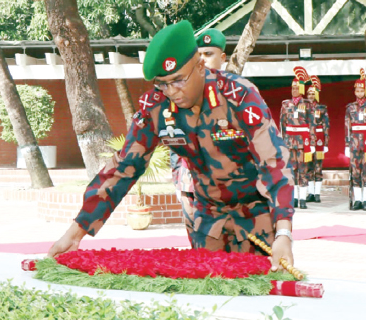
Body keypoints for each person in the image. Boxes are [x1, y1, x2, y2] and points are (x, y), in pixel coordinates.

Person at [48, 21, 295, 269]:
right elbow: (124, 168)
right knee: (209, 290)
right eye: (162, 83)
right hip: (207, 219)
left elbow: (273, 161)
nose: (171, 91)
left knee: (262, 289)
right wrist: (76, 231)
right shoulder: (155, 108)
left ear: (199, 66)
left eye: (178, 80)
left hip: (255, 216)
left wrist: (284, 233)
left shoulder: (238, 96)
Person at [169, 28, 230, 223]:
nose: (203, 60)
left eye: (209, 54)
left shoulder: (238, 94)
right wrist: (179, 181)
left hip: (230, 187)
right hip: (191, 185)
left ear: (223, 57)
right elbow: (174, 140)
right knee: (197, 245)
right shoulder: (183, 96)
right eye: (199, 55)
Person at [280, 66, 317, 209]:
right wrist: (282, 141)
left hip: (303, 142)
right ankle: (294, 198)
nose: (294, 90)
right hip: (289, 141)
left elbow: (312, 124)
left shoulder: (307, 104)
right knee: (291, 169)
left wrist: (312, 142)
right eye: (292, 88)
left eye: (296, 88)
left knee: (303, 169)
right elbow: (282, 124)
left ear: (301, 89)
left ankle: (302, 198)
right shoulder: (286, 104)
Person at [344, 68, 366, 211]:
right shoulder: (350, 107)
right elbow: (347, 126)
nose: (360, 93)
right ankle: (358, 201)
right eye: (357, 91)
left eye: (362, 91)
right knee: (355, 172)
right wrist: (346, 143)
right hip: (355, 143)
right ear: (355, 92)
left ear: (365, 91)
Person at [305, 75, 329, 203]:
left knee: (318, 167)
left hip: (319, 140)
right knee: (308, 167)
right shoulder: (303, 108)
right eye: (308, 93)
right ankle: (311, 193)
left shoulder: (322, 108)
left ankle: (318, 193)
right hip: (307, 140)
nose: (310, 95)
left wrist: (326, 142)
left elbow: (326, 126)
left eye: (312, 93)